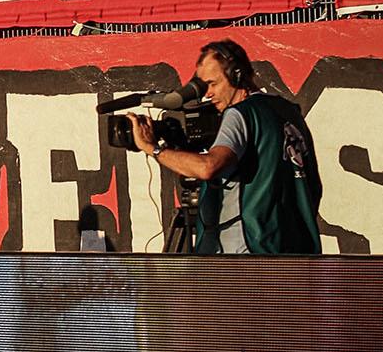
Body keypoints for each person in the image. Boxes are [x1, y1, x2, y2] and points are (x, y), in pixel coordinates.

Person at [128, 38, 322, 255]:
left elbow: (208, 167)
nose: (207, 94)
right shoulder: (289, 111)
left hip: (248, 255)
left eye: (212, 84)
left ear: (236, 76)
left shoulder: (239, 114)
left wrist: (153, 148)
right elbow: (313, 186)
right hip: (298, 253)